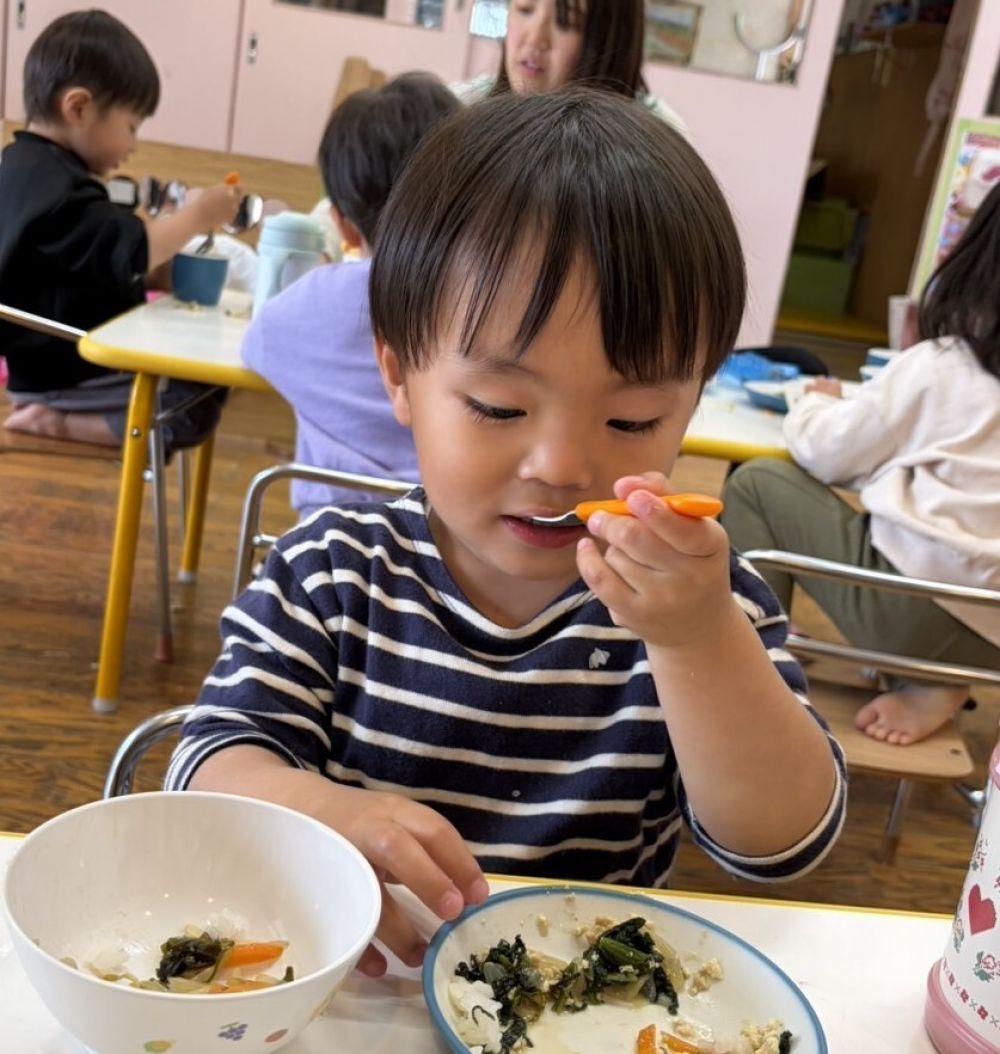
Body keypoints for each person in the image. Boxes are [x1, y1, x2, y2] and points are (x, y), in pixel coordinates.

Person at [166, 88, 846, 978]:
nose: (562, 465)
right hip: (357, 993)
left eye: (635, 419)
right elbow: (207, 763)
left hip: (591, 1013)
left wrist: (698, 641)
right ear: (400, 376)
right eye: (498, 405)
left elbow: (782, 843)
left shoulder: (705, 607)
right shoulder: (329, 577)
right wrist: (326, 813)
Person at [721, 181, 1000, 747]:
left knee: (757, 483)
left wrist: (814, 400)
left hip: (917, 618)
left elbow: (828, 454)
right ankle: (933, 682)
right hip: (992, 639)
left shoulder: (942, 368)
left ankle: (759, 659)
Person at [0, 10, 241, 451]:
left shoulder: (28, 172)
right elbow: (134, 249)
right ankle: (56, 424)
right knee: (194, 404)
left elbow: (83, 263)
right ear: (77, 108)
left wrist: (151, 276)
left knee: (200, 383)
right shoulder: (58, 192)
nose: (133, 145)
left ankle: (55, 414)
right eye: (131, 126)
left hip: (58, 363)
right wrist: (199, 214)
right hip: (71, 370)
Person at [241, 73, 459, 518]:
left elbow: (254, 349)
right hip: (451, 551)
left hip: (326, 555)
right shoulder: (485, 302)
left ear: (340, 221)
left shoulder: (307, 304)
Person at [455, 0, 686, 133]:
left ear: (611, 37)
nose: (535, 39)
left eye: (566, 22)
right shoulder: (463, 106)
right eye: (525, 9)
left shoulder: (658, 135)